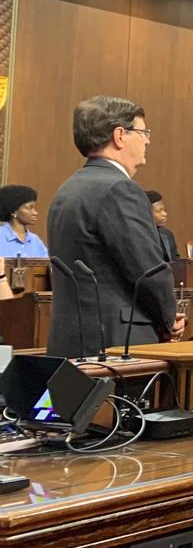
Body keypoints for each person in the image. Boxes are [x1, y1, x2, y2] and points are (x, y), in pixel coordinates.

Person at [46, 96, 180, 357]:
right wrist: (169, 320)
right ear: (120, 135)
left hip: (72, 339)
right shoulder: (120, 189)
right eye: (143, 132)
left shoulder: (68, 189)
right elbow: (148, 272)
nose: (148, 140)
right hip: (117, 345)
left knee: (71, 401)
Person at [0, 185, 47, 258]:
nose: (35, 213)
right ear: (14, 211)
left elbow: (47, 266)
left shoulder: (35, 240)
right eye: (30, 208)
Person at [144, 190, 178, 262]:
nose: (165, 214)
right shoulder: (139, 236)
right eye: (159, 211)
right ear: (147, 213)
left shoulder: (167, 235)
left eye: (164, 210)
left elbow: (176, 261)